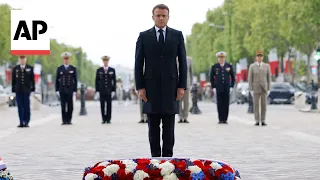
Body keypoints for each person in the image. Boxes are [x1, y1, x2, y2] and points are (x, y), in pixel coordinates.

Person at [134, 4, 187, 157]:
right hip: (150, 89)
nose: (161, 18)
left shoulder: (177, 35)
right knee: (153, 127)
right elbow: (138, 63)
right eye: (158, 15)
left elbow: (182, 62)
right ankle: (155, 160)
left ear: (168, 17)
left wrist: (182, 86)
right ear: (153, 17)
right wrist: (140, 87)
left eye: (164, 15)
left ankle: (168, 159)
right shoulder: (144, 36)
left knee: (169, 127)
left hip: (171, 88)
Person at [210, 51, 235, 124]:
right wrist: (213, 87)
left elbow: (233, 77)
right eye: (220, 58)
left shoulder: (228, 66)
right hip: (219, 87)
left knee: (226, 103)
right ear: (218, 59)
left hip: (226, 87)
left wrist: (231, 86)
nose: (221, 59)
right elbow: (211, 77)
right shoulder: (215, 66)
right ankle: (220, 119)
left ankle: (225, 119)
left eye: (223, 58)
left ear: (224, 58)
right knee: (220, 104)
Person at [248, 50, 271, 126]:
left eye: (261, 56)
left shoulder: (266, 66)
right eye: (258, 56)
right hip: (256, 88)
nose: (259, 58)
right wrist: (251, 89)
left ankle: (263, 120)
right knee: (256, 105)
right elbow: (250, 78)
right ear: (256, 57)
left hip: (264, 87)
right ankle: (257, 120)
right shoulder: (252, 66)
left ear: (263, 57)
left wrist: (269, 88)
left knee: (264, 105)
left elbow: (269, 78)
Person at [11, 55, 35, 128]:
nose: (22, 60)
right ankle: (21, 121)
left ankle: (26, 121)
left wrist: (33, 89)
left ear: (26, 59)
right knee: (20, 107)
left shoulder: (30, 68)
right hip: (18, 90)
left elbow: (32, 80)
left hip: (26, 90)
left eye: (23, 59)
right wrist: (13, 89)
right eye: (20, 59)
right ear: (19, 59)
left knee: (26, 106)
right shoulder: (15, 69)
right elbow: (13, 80)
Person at [55, 52, 78, 125]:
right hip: (62, 89)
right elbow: (57, 80)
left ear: (69, 59)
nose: (66, 60)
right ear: (63, 60)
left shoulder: (73, 68)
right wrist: (57, 90)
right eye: (65, 59)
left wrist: (75, 90)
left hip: (70, 89)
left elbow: (75, 80)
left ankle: (69, 119)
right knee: (63, 106)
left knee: (70, 106)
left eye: (67, 59)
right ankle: (64, 120)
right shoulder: (60, 68)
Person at [95, 55, 116, 124]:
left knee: (109, 105)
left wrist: (113, 90)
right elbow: (96, 81)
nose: (105, 62)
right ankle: (103, 119)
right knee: (102, 105)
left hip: (109, 91)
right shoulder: (99, 70)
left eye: (106, 61)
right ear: (103, 61)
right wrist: (97, 91)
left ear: (108, 61)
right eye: (104, 61)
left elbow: (114, 81)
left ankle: (108, 119)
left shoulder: (112, 70)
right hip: (102, 91)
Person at [178, 56, 193, 123]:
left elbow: (191, 72)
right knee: (179, 102)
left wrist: (191, 83)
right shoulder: (175, 59)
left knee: (186, 102)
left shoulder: (189, 59)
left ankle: (185, 117)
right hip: (177, 84)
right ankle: (180, 117)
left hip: (186, 83)